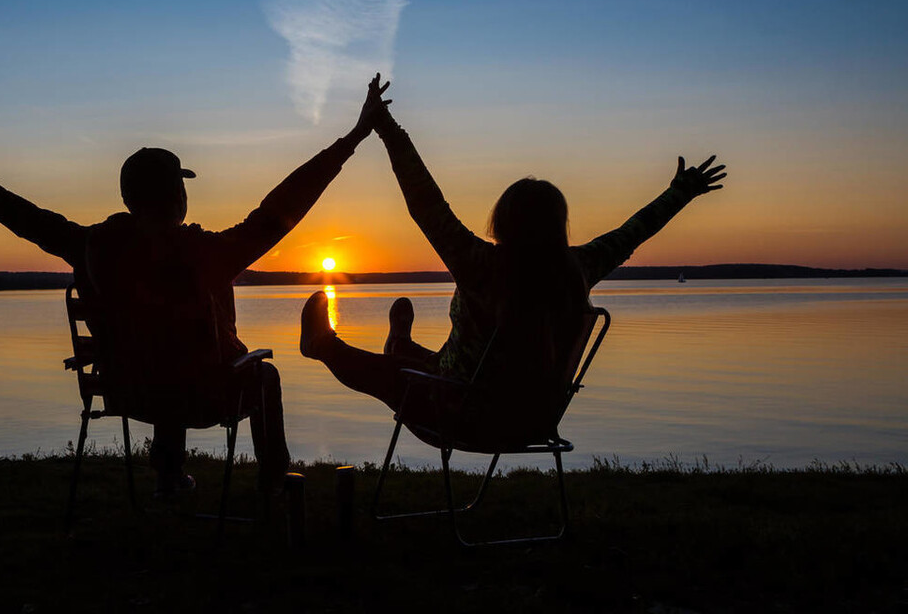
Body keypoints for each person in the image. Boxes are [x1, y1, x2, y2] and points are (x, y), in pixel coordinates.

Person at [0, 74, 392, 495]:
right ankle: (273, 484)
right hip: (201, 395)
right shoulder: (207, 254)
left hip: (127, 391)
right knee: (261, 374)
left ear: (127, 197)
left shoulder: (91, 246)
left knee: (164, 358)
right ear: (178, 197)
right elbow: (279, 211)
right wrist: (352, 138)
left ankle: (168, 475)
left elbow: (31, 220)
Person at [299, 78, 726, 437]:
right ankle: (402, 345)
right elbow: (631, 233)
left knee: (392, 376)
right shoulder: (578, 267)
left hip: (461, 416)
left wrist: (385, 126)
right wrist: (680, 192)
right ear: (559, 225)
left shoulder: (481, 266)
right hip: (535, 422)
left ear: (502, 223)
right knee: (426, 362)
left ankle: (323, 344)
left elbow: (425, 203)